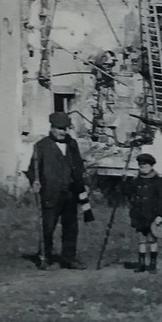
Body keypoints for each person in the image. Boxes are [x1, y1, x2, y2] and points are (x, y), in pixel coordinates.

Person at [25, 110, 93, 269]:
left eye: (65, 129)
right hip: (50, 192)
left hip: (70, 191)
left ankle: (69, 258)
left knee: (71, 227)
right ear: (52, 128)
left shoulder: (72, 143)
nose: (63, 132)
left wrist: (83, 183)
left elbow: (78, 166)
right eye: (60, 128)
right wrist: (34, 181)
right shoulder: (41, 146)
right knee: (47, 227)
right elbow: (32, 169)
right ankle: (45, 257)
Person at [127, 152, 162, 273]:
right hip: (139, 214)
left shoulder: (157, 180)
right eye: (140, 166)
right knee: (141, 239)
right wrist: (124, 181)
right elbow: (127, 192)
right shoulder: (136, 180)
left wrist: (160, 215)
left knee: (152, 239)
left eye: (144, 166)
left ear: (150, 166)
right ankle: (141, 264)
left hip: (152, 215)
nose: (142, 168)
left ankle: (153, 264)